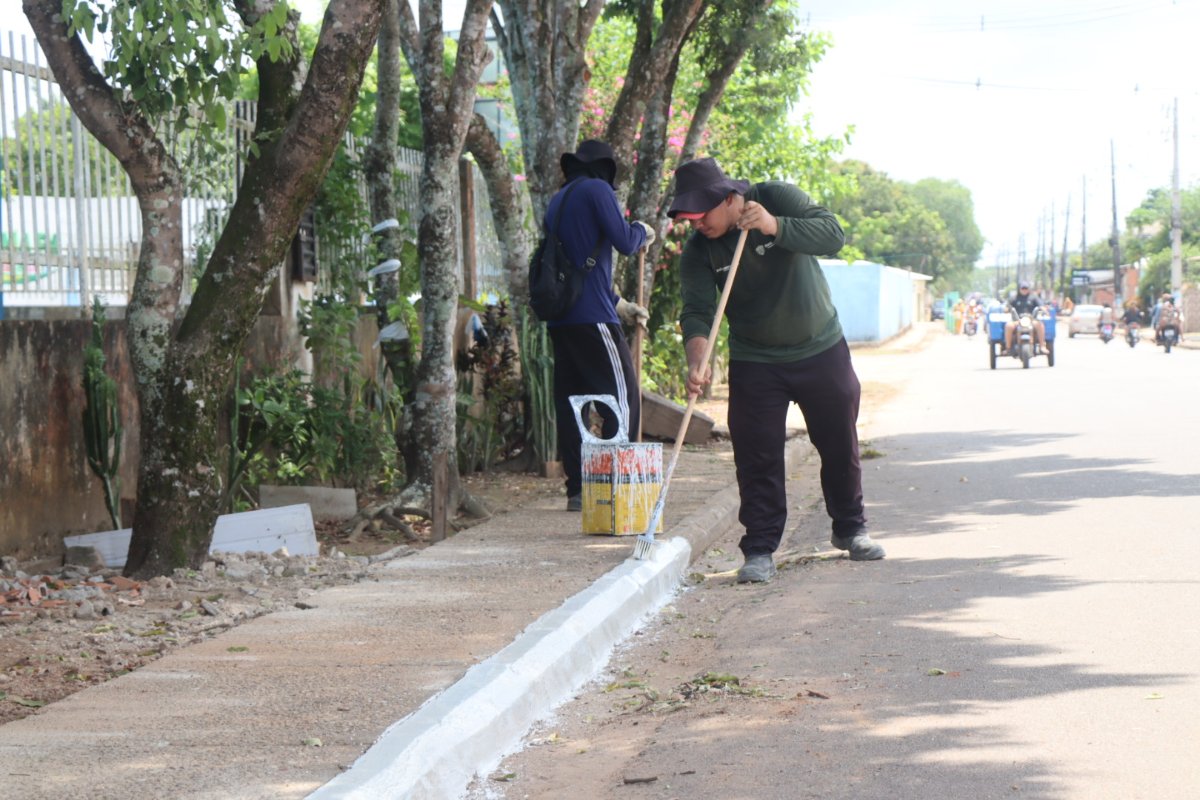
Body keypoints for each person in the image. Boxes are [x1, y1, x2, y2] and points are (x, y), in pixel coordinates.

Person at [667, 157, 884, 584]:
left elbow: (833, 235)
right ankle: (761, 548)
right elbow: (697, 312)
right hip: (756, 358)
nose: (695, 225)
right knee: (756, 452)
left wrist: (773, 225)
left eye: (700, 215)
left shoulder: (775, 197)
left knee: (839, 440)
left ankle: (850, 528)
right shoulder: (699, 251)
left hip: (820, 346)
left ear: (729, 198)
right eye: (687, 218)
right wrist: (698, 360)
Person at [544, 139, 654, 512]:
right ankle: (619, 485)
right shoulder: (597, 190)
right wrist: (642, 231)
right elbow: (624, 242)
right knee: (621, 398)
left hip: (563, 319)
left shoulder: (558, 200)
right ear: (604, 169)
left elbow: (577, 265)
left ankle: (579, 490)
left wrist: (620, 304)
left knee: (573, 403)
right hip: (593, 318)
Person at [1003, 280, 1048, 353]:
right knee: (1008, 326)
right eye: (1022, 288)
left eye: (1026, 288)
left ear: (1028, 289)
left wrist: (1044, 309)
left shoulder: (1034, 297)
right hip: (1017, 320)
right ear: (1019, 289)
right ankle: (1008, 348)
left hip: (1031, 320)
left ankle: (1042, 346)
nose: (1024, 290)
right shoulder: (1014, 298)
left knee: (1040, 325)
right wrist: (1007, 309)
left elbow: (1041, 305)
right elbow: (1007, 306)